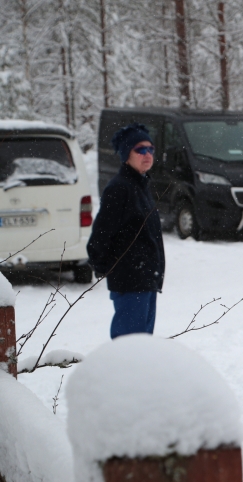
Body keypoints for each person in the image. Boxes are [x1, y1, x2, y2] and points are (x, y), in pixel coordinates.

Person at [87, 123, 165, 339]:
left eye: (150, 149)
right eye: (140, 149)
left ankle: (137, 374)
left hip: (146, 279)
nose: (147, 154)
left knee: (142, 346)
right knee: (128, 344)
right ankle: (121, 374)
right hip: (131, 281)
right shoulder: (120, 188)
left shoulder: (141, 186)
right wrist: (103, 265)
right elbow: (101, 234)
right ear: (126, 153)